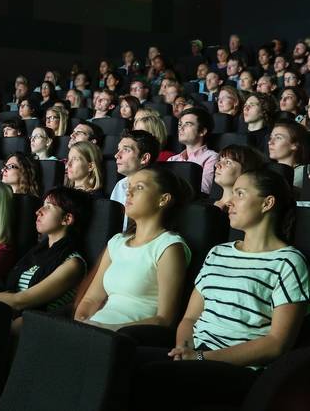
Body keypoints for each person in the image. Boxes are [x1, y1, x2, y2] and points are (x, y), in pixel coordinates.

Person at [133, 170, 310, 411]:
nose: (228, 202)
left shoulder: (288, 262)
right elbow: (190, 317)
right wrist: (185, 350)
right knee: (117, 356)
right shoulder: (219, 252)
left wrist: (200, 359)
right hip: (195, 354)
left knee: (149, 376)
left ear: (267, 203)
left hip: (241, 369)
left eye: (240, 193)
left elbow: (277, 343)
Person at [75, 166, 192, 331]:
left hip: (129, 339)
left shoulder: (169, 247)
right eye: (129, 188)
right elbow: (91, 300)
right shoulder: (116, 242)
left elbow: (164, 319)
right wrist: (79, 326)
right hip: (94, 331)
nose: (128, 193)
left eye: (139, 187)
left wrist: (108, 329)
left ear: (163, 199)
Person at [0, 187, 90, 316]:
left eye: (48, 207)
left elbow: (20, 300)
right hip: (8, 315)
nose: (38, 211)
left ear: (67, 219)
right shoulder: (37, 252)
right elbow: (9, 293)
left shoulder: (73, 264)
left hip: (32, 326)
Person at [110, 130, 161, 231]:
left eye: (126, 150)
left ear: (144, 158)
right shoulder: (120, 185)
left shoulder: (156, 189)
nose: (117, 155)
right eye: (118, 149)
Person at [167, 107, 218, 195]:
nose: (181, 128)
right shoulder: (172, 159)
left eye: (188, 124)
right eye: (180, 124)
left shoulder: (212, 157)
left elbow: (203, 190)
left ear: (202, 131)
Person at [213, 145, 266, 211]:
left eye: (228, 162)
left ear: (245, 171)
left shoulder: (244, 212)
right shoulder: (207, 203)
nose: (217, 165)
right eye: (220, 160)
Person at [268, 120, 308, 188]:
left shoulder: (304, 173)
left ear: (294, 145)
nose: (270, 142)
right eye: (271, 138)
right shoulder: (267, 171)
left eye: (278, 138)